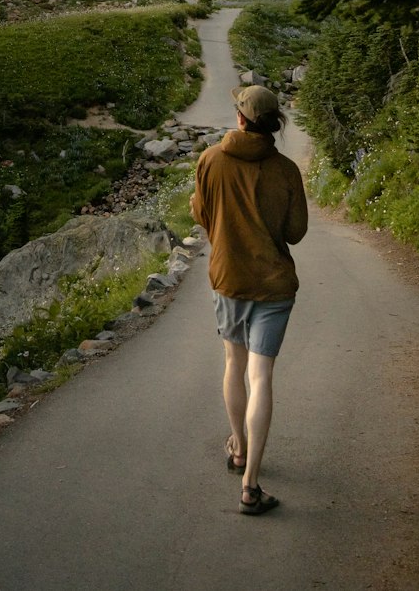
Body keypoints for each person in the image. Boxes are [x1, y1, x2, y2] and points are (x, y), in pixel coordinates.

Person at [190, 84, 308, 515]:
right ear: (272, 124)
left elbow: (202, 214)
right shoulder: (287, 170)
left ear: (240, 118)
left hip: (230, 281)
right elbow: (296, 232)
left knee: (234, 366)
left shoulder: (210, 160)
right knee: (262, 378)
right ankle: (250, 484)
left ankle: (237, 447)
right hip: (274, 286)